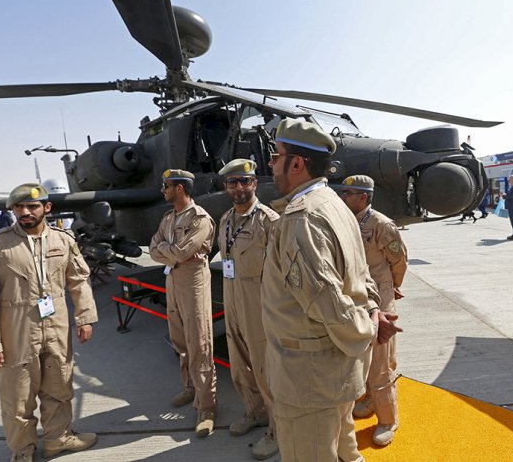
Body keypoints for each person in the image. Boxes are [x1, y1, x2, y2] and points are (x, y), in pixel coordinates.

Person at [261, 118, 402, 462]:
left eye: (275, 156)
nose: (271, 163)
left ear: (297, 164)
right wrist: (371, 310)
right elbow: (360, 274)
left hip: (309, 379)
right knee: (346, 452)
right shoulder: (335, 205)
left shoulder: (302, 219)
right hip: (336, 372)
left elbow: (325, 300)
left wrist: (368, 326)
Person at [0, 183, 98, 462]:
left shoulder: (64, 241)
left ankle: (58, 439)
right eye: (19, 207)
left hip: (56, 326)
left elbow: (78, 281)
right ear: (12, 210)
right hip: (16, 329)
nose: (25, 212)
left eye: (32, 206)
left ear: (47, 208)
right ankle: (23, 450)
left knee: (59, 387)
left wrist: (85, 317)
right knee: (18, 395)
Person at [217, 159, 280, 460]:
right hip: (232, 296)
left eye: (245, 181)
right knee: (240, 362)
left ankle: (278, 430)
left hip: (260, 302)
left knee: (265, 366)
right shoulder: (226, 219)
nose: (239, 187)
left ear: (255, 184)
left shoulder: (269, 221)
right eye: (233, 183)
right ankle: (255, 412)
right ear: (226, 187)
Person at [340, 175, 408, 447]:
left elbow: (399, 260)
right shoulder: (346, 221)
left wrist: (392, 288)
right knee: (363, 357)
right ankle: (370, 398)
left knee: (381, 362)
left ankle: (388, 418)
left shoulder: (381, 224)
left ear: (363, 198)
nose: (344, 197)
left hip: (380, 297)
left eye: (349, 193)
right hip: (358, 297)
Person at [149, 169, 217, 438]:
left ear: (179, 188)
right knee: (180, 340)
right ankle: (190, 387)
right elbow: (153, 247)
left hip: (193, 281)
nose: (163, 190)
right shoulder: (168, 218)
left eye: (166, 186)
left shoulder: (200, 218)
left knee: (200, 342)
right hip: (174, 280)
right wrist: (169, 254)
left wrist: (167, 252)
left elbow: (181, 251)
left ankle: (207, 407)